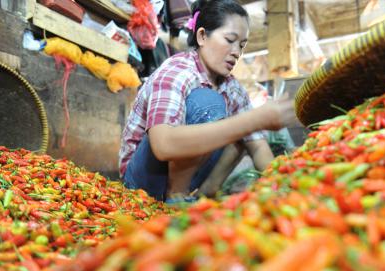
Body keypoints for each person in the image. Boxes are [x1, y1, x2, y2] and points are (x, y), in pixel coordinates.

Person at [119, 0, 297, 203]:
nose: (236, 52)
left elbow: (258, 147)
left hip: (187, 178)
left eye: (242, 45)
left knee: (241, 130)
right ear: (202, 36)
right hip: (142, 183)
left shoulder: (232, 88)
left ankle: (206, 192)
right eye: (230, 40)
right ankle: (175, 197)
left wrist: (282, 187)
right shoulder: (176, 71)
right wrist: (254, 119)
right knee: (209, 103)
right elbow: (163, 144)